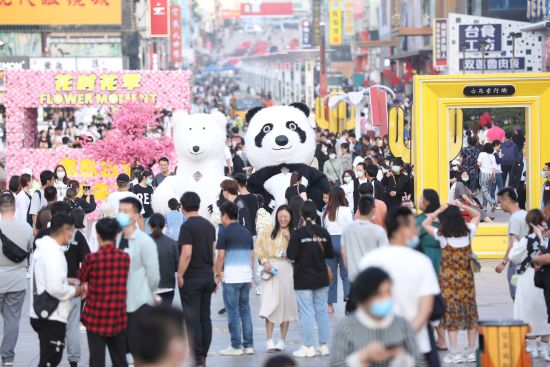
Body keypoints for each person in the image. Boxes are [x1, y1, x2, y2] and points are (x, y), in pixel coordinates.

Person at [359, 206, 440, 362]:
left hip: (377, 347)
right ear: (403, 229)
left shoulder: (369, 260)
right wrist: (403, 338)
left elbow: (362, 306)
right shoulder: (421, 262)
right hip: (417, 345)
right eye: (413, 226)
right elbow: (426, 308)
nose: (417, 231)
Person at [330, 267, 425, 367]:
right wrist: (362, 356)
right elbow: (336, 363)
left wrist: (403, 359)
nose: (385, 298)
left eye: (388, 292)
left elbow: (419, 362)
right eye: (379, 295)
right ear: (363, 299)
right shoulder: (346, 328)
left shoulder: (402, 325)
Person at [422, 203, 480, 364]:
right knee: (470, 313)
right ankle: (470, 350)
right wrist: (461, 204)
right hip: (466, 281)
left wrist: (439, 210)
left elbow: (425, 224)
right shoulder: (469, 231)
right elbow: (477, 215)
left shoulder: (442, 235)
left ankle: (454, 352)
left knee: (451, 315)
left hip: (448, 282)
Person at [30, 214, 82, 367]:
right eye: (72, 231)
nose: (73, 236)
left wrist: (67, 280)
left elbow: (47, 278)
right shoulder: (53, 254)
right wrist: (75, 291)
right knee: (51, 359)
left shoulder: (44, 248)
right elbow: (55, 288)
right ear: (66, 231)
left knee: (47, 356)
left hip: (41, 311)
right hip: (52, 314)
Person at [77, 218, 130, 367]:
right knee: (120, 360)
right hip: (118, 316)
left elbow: (81, 279)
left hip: (95, 317)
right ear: (116, 236)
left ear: (98, 235)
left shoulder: (91, 259)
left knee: (96, 359)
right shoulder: (124, 258)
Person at [287, 201, 334, 358]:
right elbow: (329, 255)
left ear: (301, 214)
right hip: (321, 278)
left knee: (306, 313)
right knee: (321, 311)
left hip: (303, 278)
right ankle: (323, 345)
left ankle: (308, 347)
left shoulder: (298, 234)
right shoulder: (324, 233)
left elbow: (291, 256)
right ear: (316, 214)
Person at [117, 197, 160, 359]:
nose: (121, 215)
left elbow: (154, 275)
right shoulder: (115, 239)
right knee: (120, 352)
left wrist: (148, 293)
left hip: (139, 304)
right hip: (118, 306)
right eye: (119, 211)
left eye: (125, 212)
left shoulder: (145, 242)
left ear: (135, 216)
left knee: (138, 352)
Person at [177, 192, 216, 367]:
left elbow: (187, 253)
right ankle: (203, 355)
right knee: (205, 318)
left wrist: (179, 274)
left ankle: (197, 355)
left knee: (192, 319)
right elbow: (213, 252)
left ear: (182, 207)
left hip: (192, 277)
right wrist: (215, 275)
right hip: (207, 275)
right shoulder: (208, 226)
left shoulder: (187, 227)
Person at [254, 205, 299, 352]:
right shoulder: (269, 230)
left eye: (286, 216)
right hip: (271, 268)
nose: (283, 219)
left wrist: (290, 240)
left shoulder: (294, 233)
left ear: (291, 217)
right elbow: (259, 247)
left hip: (287, 268)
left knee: (285, 304)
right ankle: (269, 340)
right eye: (281, 216)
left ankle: (282, 340)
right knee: (269, 303)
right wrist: (265, 261)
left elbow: (298, 253)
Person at [214, 201, 255, 356]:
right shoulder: (246, 232)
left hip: (231, 278)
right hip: (245, 277)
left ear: (225, 215)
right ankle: (249, 345)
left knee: (233, 312)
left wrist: (217, 273)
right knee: (245, 310)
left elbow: (221, 256)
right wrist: (250, 275)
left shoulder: (224, 233)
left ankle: (236, 346)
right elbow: (252, 256)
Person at [509, 209, 550, 358]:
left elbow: (514, 257)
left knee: (528, 310)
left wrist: (514, 243)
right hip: (545, 277)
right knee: (544, 311)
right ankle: (546, 348)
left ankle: (532, 347)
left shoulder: (526, 240)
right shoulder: (546, 239)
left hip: (528, 278)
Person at [0, 192, 33, 366]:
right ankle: (7, 358)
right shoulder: (26, 228)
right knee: (12, 320)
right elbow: (29, 250)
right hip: (17, 280)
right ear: (14, 207)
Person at [341, 194, 388, 282]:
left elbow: (343, 252)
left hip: (355, 275)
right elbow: (384, 254)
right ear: (373, 210)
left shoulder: (347, 229)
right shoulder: (379, 231)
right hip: (373, 275)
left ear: (359, 208)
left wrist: (349, 270)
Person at [323, 187, 353, 313]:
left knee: (331, 275)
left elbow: (324, 228)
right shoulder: (347, 210)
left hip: (329, 243)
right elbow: (351, 228)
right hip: (343, 242)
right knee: (346, 274)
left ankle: (330, 306)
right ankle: (348, 301)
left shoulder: (327, 211)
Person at [496, 188, 529, 301]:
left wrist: (503, 262)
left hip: (517, 263)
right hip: (528, 261)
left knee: (517, 296)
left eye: (500, 202)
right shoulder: (525, 214)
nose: (500, 205)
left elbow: (512, 242)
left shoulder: (514, 219)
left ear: (506, 200)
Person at [148, 214, 178, 306]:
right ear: (164, 225)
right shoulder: (172, 243)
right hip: (167, 285)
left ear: (149, 225)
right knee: (164, 317)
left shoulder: (142, 241)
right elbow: (177, 266)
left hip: (147, 287)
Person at [416, 189, 442, 275]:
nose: (419, 201)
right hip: (443, 258)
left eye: (421, 198)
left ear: (427, 202)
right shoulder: (444, 218)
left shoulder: (419, 220)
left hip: (424, 256)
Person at [477, 143, 497, 211]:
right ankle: (484, 206)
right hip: (491, 175)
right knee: (486, 191)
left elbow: (479, 163)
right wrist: (494, 177)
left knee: (484, 190)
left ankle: (493, 202)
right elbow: (494, 168)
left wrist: (478, 164)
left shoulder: (481, 154)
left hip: (484, 174)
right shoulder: (492, 156)